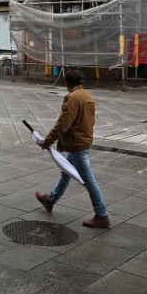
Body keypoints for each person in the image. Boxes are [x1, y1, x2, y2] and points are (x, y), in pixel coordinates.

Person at [35, 69, 110, 228]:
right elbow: (92, 121)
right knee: (66, 172)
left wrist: (47, 141)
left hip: (77, 144)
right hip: (84, 141)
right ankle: (50, 200)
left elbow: (63, 124)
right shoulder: (87, 96)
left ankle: (102, 214)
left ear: (66, 83)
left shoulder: (73, 98)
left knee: (88, 180)